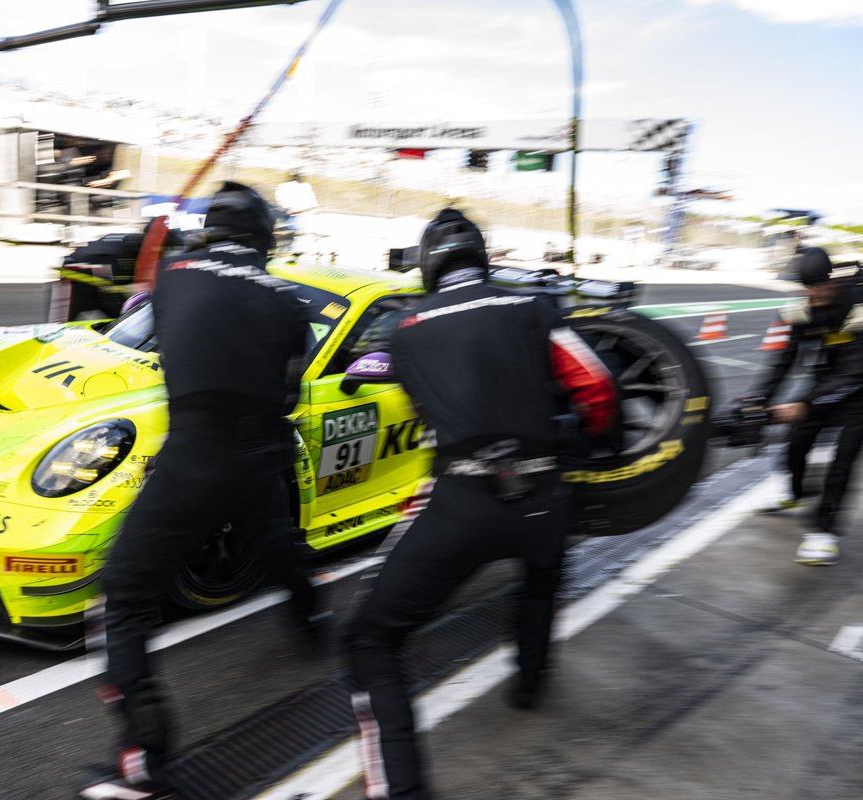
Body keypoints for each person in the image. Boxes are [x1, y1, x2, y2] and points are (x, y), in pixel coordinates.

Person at [345, 208, 617, 800]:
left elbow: (423, 411)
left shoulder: (407, 328)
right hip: (545, 495)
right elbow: (596, 386)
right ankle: (529, 685)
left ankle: (404, 790)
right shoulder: (533, 307)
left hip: (463, 503)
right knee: (540, 586)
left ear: (428, 264)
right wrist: (585, 439)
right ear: (481, 257)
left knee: (370, 640)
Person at [85, 182, 324, 799]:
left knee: (124, 596)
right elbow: (291, 387)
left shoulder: (173, 274)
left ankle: (144, 759)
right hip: (260, 455)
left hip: (194, 452)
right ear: (266, 238)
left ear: (213, 228)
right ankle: (314, 617)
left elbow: (160, 320)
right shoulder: (292, 303)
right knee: (275, 540)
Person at [753, 246, 863, 565]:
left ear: (832, 280)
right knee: (796, 442)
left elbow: (860, 369)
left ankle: (824, 532)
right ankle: (794, 493)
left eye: (820, 284)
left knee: (844, 457)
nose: (815, 292)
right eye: (808, 286)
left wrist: (804, 403)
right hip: (828, 378)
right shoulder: (805, 308)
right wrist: (757, 400)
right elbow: (784, 361)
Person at [274, 171, 319, 256]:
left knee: (292, 236)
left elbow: (311, 205)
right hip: (290, 216)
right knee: (288, 236)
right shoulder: (285, 186)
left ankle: (289, 252)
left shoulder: (305, 187)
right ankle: (286, 252)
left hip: (296, 216)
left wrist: (294, 211)